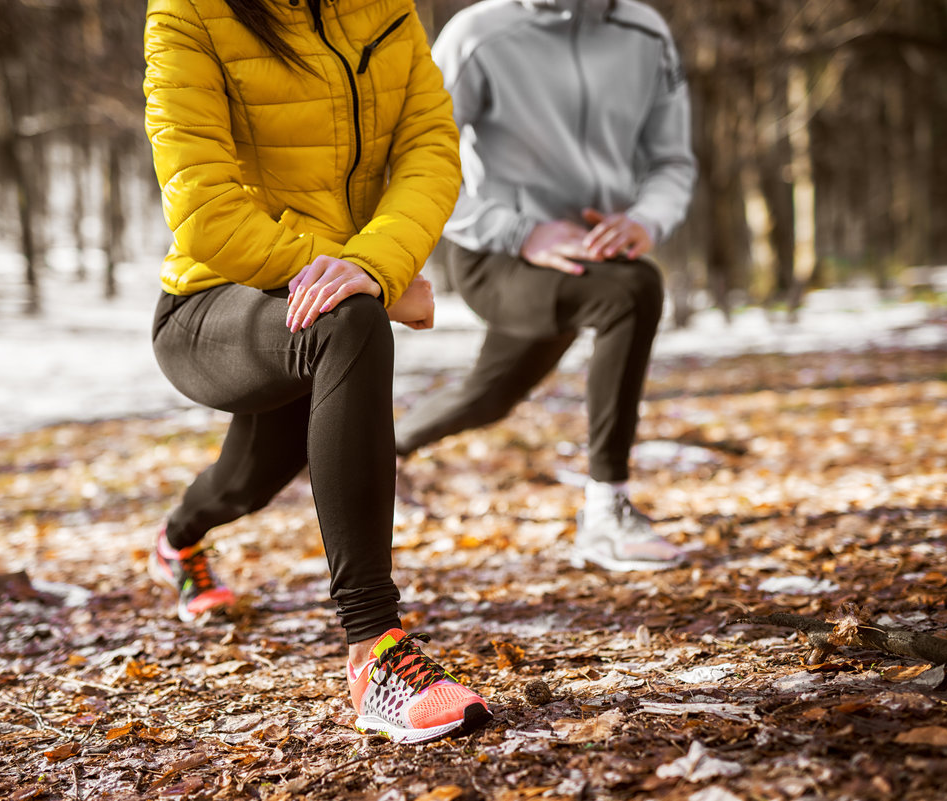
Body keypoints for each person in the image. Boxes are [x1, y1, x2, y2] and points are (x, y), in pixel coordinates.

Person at [141, 0, 491, 744]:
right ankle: (377, 652)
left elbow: (430, 147)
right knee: (348, 321)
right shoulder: (188, 13)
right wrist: (361, 282)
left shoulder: (384, 8)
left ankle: (180, 537)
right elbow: (202, 208)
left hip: (337, 292)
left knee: (248, 478)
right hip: (211, 306)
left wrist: (373, 264)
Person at [395, 0, 698, 572]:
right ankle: (606, 513)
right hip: (497, 256)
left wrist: (645, 220)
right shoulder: (478, 35)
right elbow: (419, 160)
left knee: (491, 395)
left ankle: (382, 450)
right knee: (634, 291)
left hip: (591, 256)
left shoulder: (643, 31)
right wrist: (521, 232)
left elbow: (671, 161)